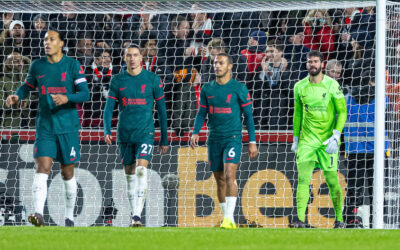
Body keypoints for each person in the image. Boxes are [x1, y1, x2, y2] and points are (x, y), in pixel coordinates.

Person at [6, 29, 90, 227]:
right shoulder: (37, 65)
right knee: (42, 167)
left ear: (61, 43)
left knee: (67, 172)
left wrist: (67, 98)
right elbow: (26, 86)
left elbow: (85, 94)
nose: (47, 43)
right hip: (45, 127)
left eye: (52, 39)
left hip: (67, 127)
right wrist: (18, 95)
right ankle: (38, 214)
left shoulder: (72, 65)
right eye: (45, 40)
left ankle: (69, 218)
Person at [190, 53, 258, 229]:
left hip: (233, 138)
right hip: (214, 139)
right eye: (215, 63)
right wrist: (196, 132)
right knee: (219, 180)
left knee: (229, 175)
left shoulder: (239, 88)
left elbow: (249, 117)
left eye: (221, 63)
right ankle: (227, 218)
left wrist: (252, 141)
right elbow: (201, 114)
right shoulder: (207, 89)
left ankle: (229, 219)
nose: (217, 66)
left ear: (230, 67)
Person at [103, 44, 168, 227]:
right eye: (129, 55)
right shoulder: (117, 80)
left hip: (145, 132)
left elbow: (162, 111)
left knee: (141, 171)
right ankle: (134, 214)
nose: (132, 58)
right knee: (130, 176)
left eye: (135, 55)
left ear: (141, 58)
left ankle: (137, 216)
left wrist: (164, 138)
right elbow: (109, 109)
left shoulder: (152, 79)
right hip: (124, 134)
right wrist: (107, 130)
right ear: (124, 58)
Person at [290, 50, 347, 229]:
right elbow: (297, 113)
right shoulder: (299, 86)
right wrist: (296, 138)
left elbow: (342, 111)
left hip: (327, 141)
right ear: (306, 64)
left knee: (332, 180)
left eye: (315, 61)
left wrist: (336, 136)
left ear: (321, 64)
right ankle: (300, 219)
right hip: (307, 141)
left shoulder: (332, 85)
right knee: (302, 180)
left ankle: (339, 219)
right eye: (309, 62)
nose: (312, 65)